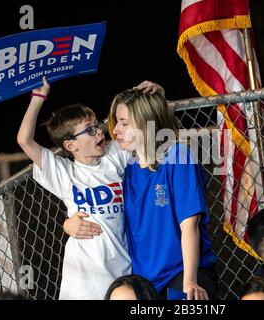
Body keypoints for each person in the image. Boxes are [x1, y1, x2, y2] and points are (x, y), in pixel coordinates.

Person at [66, 88, 218, 300]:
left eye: (124, 123)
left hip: (182, 273)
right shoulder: (128, 169)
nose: (115, 129)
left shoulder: (178, 156)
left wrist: (190, 280)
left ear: (146, 123)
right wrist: (68, 223)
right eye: (116, 122)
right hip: (144, 282)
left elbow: (189, 225)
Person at [17, 77, 161, 300]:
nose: (100, 132)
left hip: (120, 272)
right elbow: (25, 140)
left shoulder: (114, 155)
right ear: (70, 145)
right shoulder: (64, 172)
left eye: (98, 126)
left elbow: (146, 130)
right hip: (81, 281)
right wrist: (38, 98)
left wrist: (156, 97)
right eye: (90, 130)